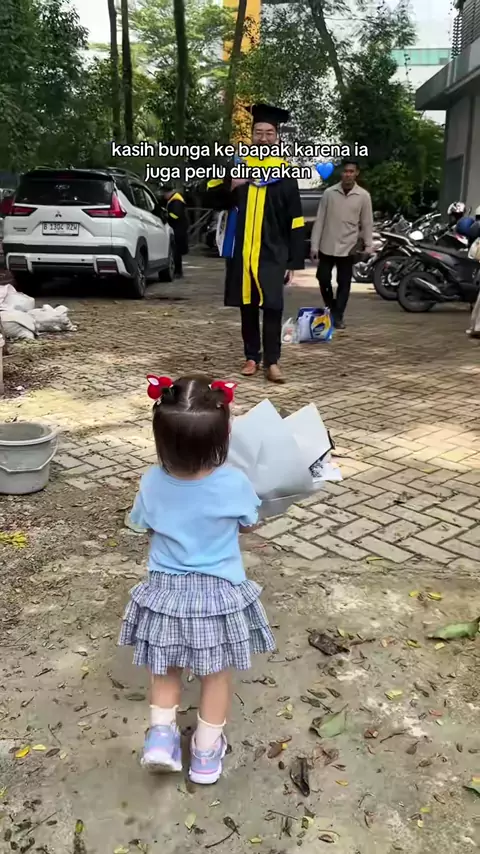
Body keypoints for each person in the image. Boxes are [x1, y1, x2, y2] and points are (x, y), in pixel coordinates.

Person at [119, 374, 275, 783]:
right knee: (216, 674)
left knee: (165, 668)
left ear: (160, 438)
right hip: (218, 594)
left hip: (165, 592)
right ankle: (205, 754)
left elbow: (143, 525)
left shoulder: (151, 481)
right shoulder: (235, 483)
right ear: (224, 437)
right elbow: (249, 523)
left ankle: (161, 738)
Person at [206, 103, 305, 384]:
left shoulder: (285, 175)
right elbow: (211, 199)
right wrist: (231, 185)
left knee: (272, 306)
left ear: (277, 138)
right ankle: (251, 357)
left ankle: (272, 362)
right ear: (251, 135)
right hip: (242, 252)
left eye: (269, 133)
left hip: (272, 253)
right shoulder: (238, 167)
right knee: (247, 305)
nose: (263, 138)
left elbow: (295, 220)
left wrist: (293, 262)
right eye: (258, 132)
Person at [310, 160, 374, 329]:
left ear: (356, 173)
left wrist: (369, 245)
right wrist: (314, 246)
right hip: (327, 244)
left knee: (344, 283)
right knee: (323, 278)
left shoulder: (363, 196)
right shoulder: (329, 193)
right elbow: (320, 220)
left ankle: (338, 316)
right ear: (341, 173)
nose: (348, 175)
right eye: (345, 171)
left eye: (351, 171)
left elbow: (367, 222)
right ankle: (331, 306)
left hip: (348, 246)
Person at [164, 187, 189, 277]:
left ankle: (178, 272)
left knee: (176, 251)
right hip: (179, 228)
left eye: (165, 193)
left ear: (171, 192)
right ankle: (178, 271)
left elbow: (175, 215)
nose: (164, 196)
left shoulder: (176, 201)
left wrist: (167, 215)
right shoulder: (175, 200)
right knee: (176, 251)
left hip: (178, 229)